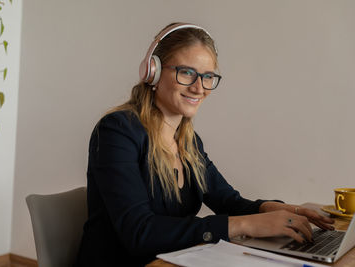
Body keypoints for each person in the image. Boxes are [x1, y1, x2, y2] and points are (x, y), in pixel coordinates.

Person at [75, 22, 334, 267]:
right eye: (186, 72)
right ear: (152, 72)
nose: (199, 88)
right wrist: (246, 225)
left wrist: (273, 209)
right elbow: (139, 232)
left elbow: (228, 201)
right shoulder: (117, 131)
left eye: (208, 76)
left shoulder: (189, 142)